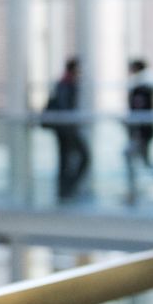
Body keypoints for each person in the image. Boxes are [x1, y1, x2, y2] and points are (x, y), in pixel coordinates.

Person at [123, 58, 153, 204]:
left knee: (136, 159)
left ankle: (133, 191)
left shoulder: (142, 89)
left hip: (141, 133)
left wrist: (137, 132)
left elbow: (141, 112)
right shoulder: (145, 87)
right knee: (145, 162)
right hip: (142, 132)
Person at [43, 57, 89, 201]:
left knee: (65, 159)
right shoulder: (65, 84)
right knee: (82, 156)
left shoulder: (66, 83)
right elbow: (65, 107)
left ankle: (65, 190)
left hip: (65, 127)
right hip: (66, 128)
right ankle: (67, 189)